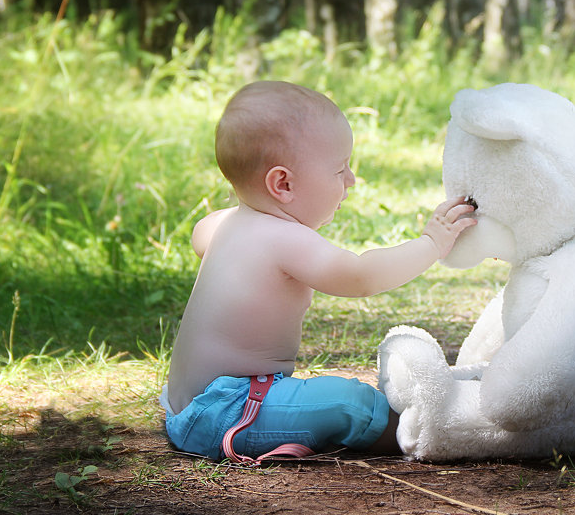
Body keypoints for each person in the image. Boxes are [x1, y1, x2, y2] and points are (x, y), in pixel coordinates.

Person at [161, 80, 476, 459]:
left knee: (324, 399)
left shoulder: (226, 223)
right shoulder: (283, 238)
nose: (351, 180)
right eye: (340, 169)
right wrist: (432, 243)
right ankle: (431, 432)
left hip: (188, 404)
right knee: (351, 403)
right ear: (283, 183)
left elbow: (200, 235)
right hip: (230, 411)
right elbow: (360, 277)